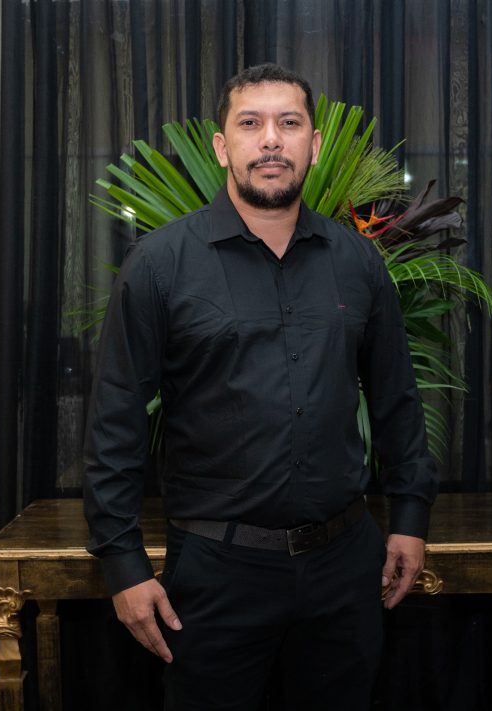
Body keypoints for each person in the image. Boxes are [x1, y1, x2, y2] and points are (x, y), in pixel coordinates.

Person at [83, 63, 438, 710]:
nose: (271, 139)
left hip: (344, 570)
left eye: (289, 123)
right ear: (223, 146)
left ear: (314, 145)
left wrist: (411, 518)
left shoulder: (358, 262)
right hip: (215, 575)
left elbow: (397, 401)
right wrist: (123, 564)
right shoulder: (160, 264)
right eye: (251, 123)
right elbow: (115, 423)